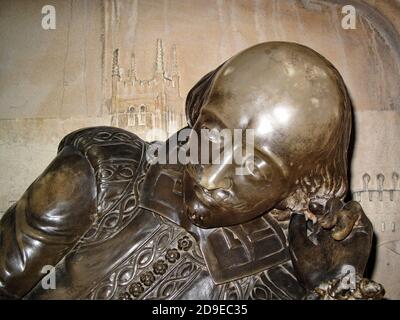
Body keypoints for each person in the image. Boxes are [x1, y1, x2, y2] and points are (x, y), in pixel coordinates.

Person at [0, 42, 383, 300]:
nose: (209, 177)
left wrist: (335, 284)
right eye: (212, 134)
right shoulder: (105, 172)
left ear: (300, 191)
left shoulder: (279, 276)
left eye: (255, 166)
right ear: (199, 110)